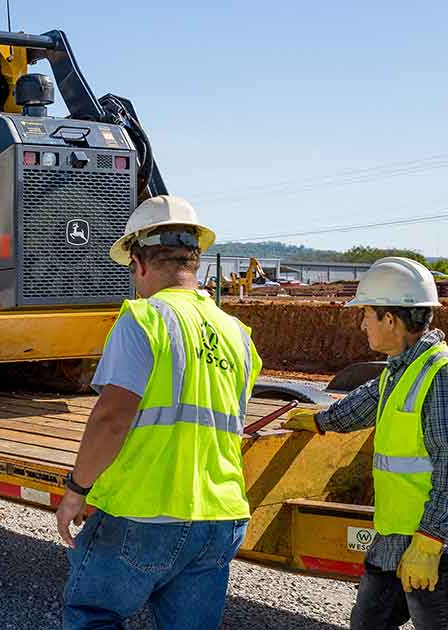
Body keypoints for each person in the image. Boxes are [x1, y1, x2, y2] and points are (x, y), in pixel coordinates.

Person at [56, 196, 262, 629]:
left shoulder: (145, 319)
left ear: (139, 263)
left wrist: (77, 490)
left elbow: (112, 418)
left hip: (144, 513)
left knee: (93, 615)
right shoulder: (237, 335)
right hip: (219, 517)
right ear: (198, 263)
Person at [283, 257, 448, 630]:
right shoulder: (401, 369)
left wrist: (430, 542)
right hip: (393, 542)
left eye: (367, 315)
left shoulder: (441, 375)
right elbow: (365, 403)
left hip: (432, 549)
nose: (362, 325)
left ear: (390, 320)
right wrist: (317, 420)